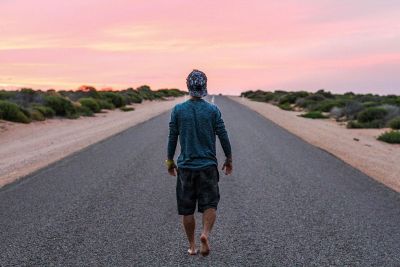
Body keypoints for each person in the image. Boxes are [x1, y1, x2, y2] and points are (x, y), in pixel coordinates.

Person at [165, 69, 233, 257]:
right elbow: (223, 135)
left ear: (188, 86)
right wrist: (229, 158)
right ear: (204, 87)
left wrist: (170, 160)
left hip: (186, 167)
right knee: (209, 204)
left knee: (187, 209)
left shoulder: (178, 110)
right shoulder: (212, 110)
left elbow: (172, 137)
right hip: (207, 167)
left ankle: (193, 246)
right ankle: (205, 234)